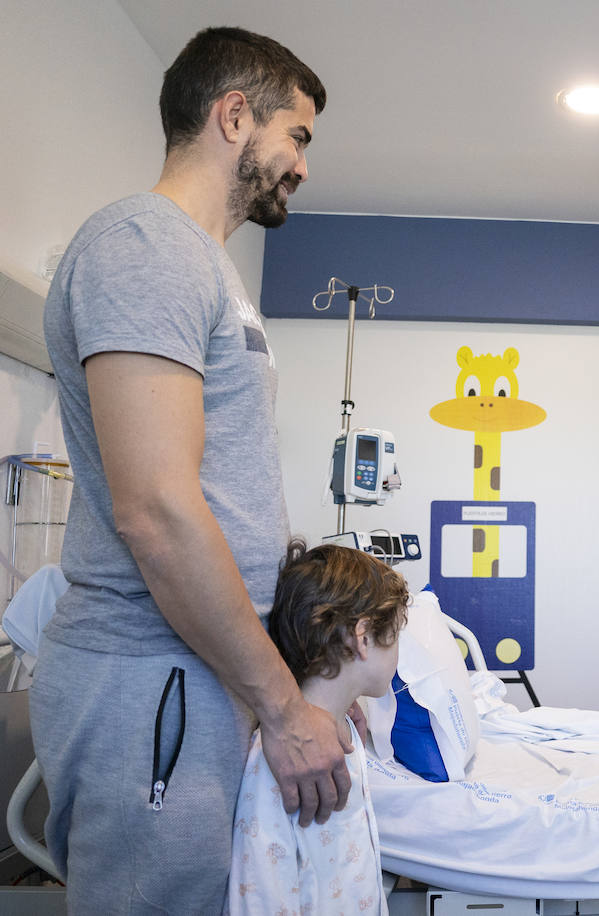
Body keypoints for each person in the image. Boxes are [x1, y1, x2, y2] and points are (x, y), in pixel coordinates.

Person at [30, 27, 338, 911]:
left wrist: (296, 670)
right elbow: (160, 512)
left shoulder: (208, 268)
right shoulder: (144, 246)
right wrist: (283, 709)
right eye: (299, 136)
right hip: (149, 670)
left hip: (201, 663)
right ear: (234, 116)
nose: (304, 167)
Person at [228, 539, 409, 915]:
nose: (398, 653)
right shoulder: (277, 760)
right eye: (395, 637)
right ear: (363, 637)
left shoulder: (343, 728)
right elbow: (261, 894)